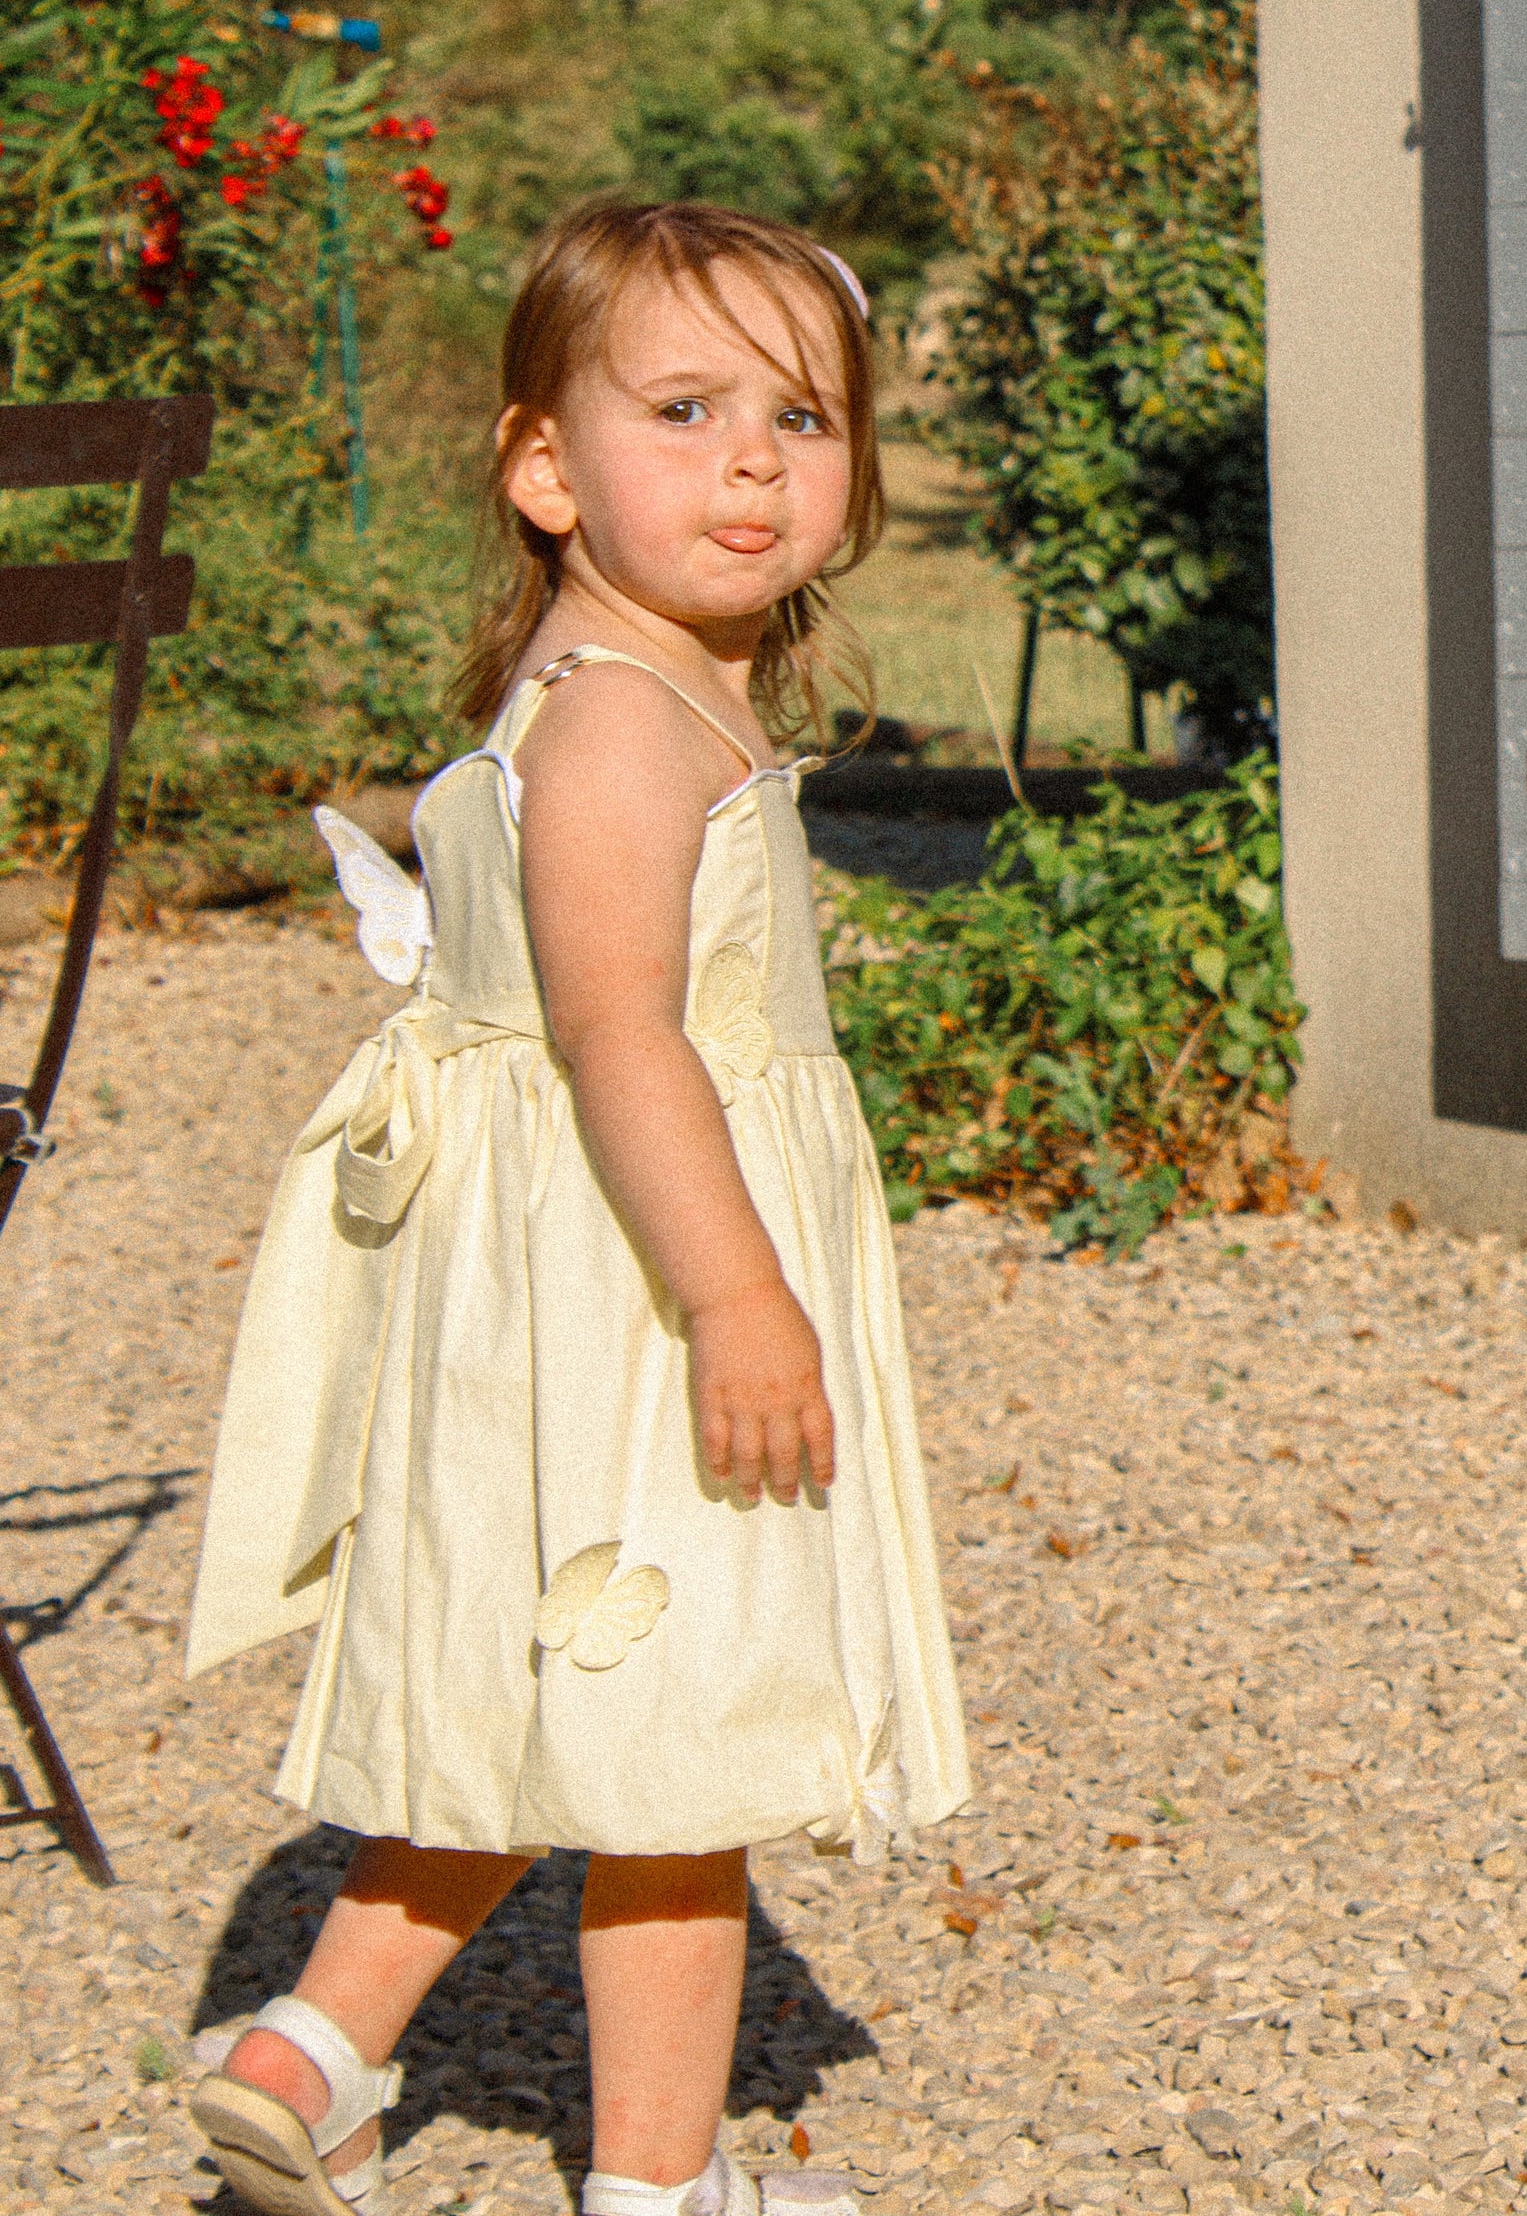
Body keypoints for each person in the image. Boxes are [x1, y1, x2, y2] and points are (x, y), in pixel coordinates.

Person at [182, 198, 970, 2216]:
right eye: (685, 407)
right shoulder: (625, 719)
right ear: (544, 468)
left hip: (568, 1292)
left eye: (801, 415)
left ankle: (316, 2044)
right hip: (647, 1295)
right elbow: (624, 1035)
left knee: (569, 1694)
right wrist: (739, 1300)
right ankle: (656, 2182)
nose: (750, 462)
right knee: (681, 1761)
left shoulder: (614, 678)